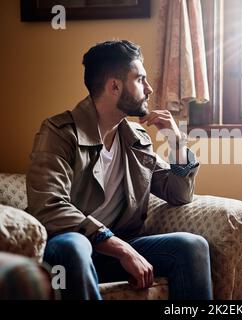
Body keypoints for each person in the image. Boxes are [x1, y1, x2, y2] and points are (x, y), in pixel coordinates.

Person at [26, 40, 213, 300]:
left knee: (191, 246)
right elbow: (49, 207)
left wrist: (177, 143)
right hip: (67, 248)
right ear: (115, 86)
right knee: (75, 245)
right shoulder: (58, 133)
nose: (148, 89)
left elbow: (178, 194)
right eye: (140, 80)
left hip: (117, 247)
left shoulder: (136, 137)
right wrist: (120, 248)